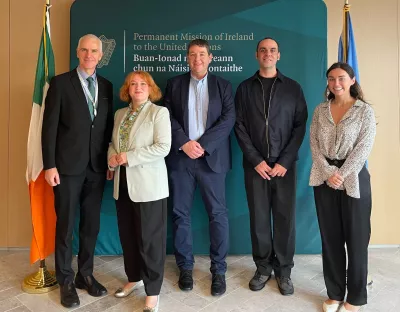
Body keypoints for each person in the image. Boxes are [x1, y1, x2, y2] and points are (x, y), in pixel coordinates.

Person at [42, 34, 113, 308]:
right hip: (67, 169)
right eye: (84, 50)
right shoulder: (60, 83)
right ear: (77, 52)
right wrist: (49, 165)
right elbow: (48, 129)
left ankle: (85, 275)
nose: (89, 54)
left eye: (94, 50)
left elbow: (105, 129)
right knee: (66, 226)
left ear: (100, 53)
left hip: (96, 169)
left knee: (90, 227)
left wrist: (107, 163)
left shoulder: (106, 85)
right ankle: (66, 280)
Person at [234, 37, 308, 296]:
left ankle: (284, 270)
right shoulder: (244, 88)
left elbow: (300, 127)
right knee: (259, 219)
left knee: (285, 220)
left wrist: (284, 161)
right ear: (256, 55)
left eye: (272, 50)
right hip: (255, 167)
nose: (268, 54)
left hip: (285, 168)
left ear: (279, 55)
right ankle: (263, 267)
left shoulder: (293, 88)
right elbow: (239, 126)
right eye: (263, 50)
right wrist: (256, 161)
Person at [163, 39, 235, 296]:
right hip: (182, 159)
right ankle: (185, 268)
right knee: (180, 214)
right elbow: (167, 117)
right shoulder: (174, 84)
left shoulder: (223, 86)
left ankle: (219, 270)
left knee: (218, 214)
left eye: (202, 54)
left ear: (210, 57)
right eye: (192, 55)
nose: (197, 59)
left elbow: (228, 120)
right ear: (187, 58)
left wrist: (202, 145)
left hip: (212, 160)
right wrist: (184, 143)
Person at [309, 62, 376, 312]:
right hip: (324, 180)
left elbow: (364, 148)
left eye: (341, 78)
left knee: (357, 240)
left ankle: (355, 297)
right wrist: (329, 173)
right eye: (331, 79)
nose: (335, 83)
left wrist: (341, 174)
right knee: (331, 239)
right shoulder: (320, 110)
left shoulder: (364, 111)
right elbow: (314, 144)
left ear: (352, 80)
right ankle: (334, 293)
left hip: (354, 180)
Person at [108, 71, 171, 312]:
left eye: (142, 84)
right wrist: (112, 160)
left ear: (150, 88)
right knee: (129, 236)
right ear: (127, 89)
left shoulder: (159, 113)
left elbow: (163, 147)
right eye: (132, 84)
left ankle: (153, 292)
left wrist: (129, 157)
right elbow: (113, 144)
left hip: (149, 186)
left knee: (150, 241)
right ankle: (134, 278)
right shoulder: (120, 114)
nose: (137, 87)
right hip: (122, 185)